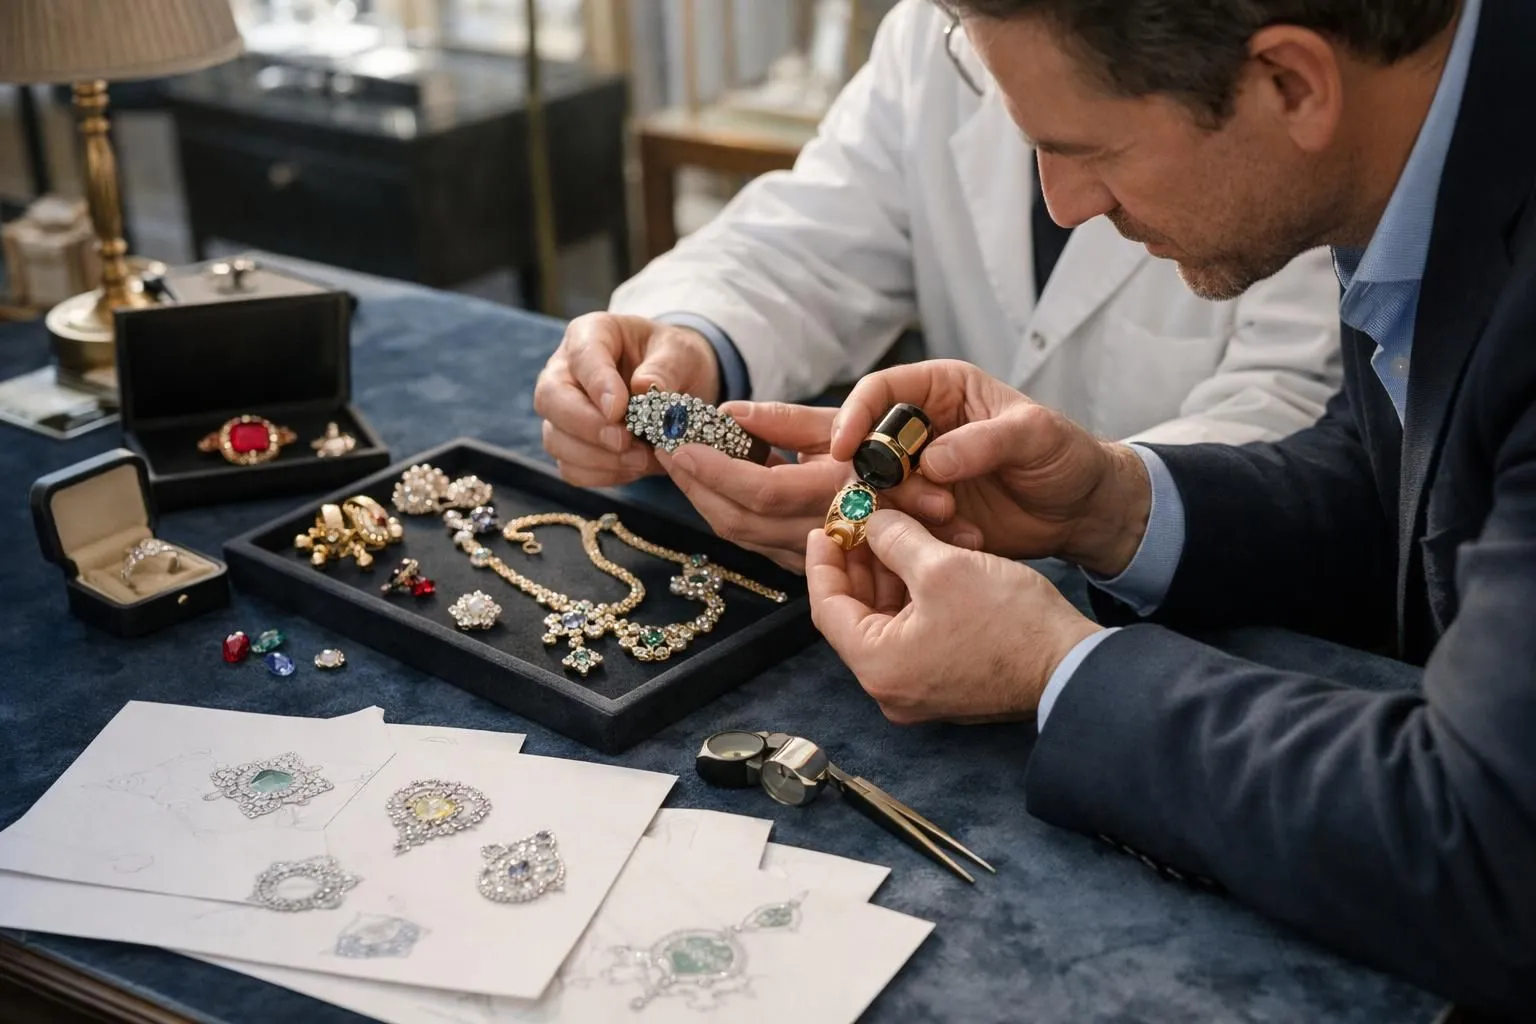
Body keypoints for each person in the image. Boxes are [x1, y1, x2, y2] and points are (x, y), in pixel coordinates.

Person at [804, 0, 1536, 1014]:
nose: (1060, 204)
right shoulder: (1432, 140)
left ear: (1291, 84)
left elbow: (1489, 847)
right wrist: (1109, 503)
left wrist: (1054, 666)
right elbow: (1408, 489)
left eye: (1083, 148)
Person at [534, 0, 1343, 572]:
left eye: (1098, 153)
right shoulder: (939, 37)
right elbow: (814, 238)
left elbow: (1303, 425)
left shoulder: (1290, 131)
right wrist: (693, 339)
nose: (1065, 208)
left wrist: (1095, 504)